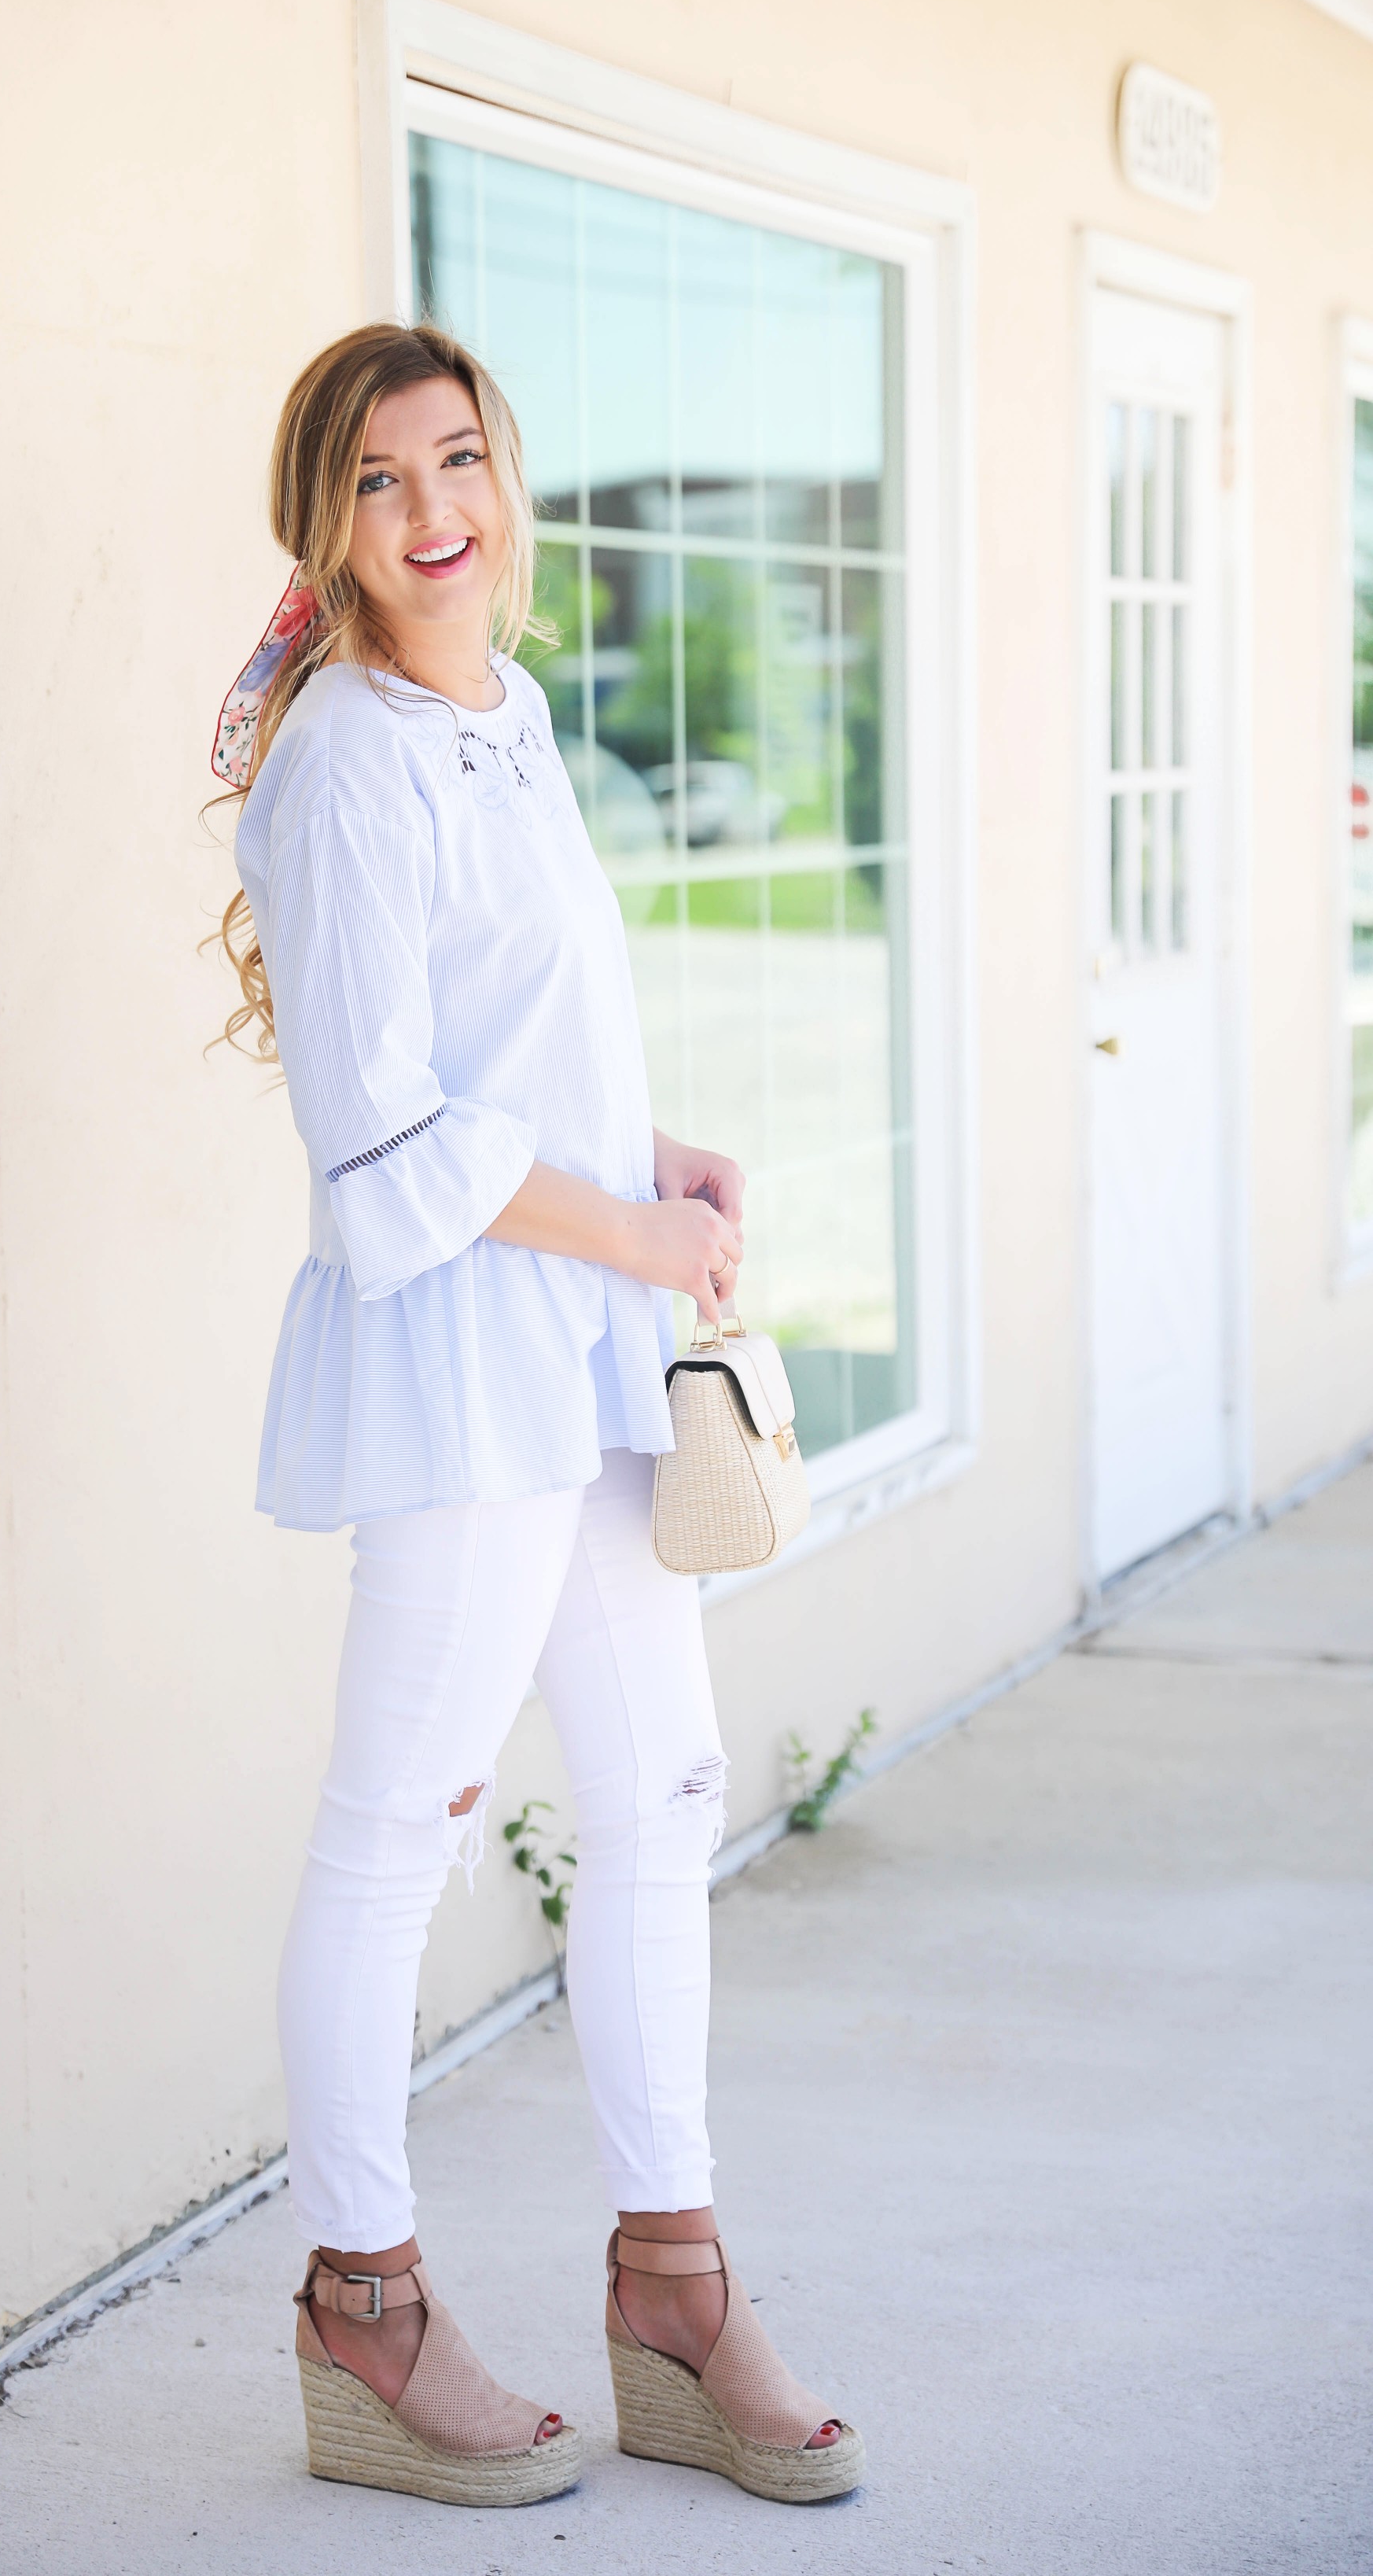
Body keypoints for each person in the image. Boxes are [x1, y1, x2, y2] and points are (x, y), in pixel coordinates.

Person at [214, 321, 863, 2509]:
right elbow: (388, 1144)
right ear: (335, 521)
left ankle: (674, 2280)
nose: (434, 513)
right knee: (401, 1821)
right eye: (384, 482)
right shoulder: (345, 760)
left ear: (506, 478)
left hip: (575, 1343)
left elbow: (517, 1063)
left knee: (665, 1791)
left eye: (460, 462)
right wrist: (636, 1245)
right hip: (469, 1364)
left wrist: (649, 1161)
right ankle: (365, 2311)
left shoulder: (505, 720)